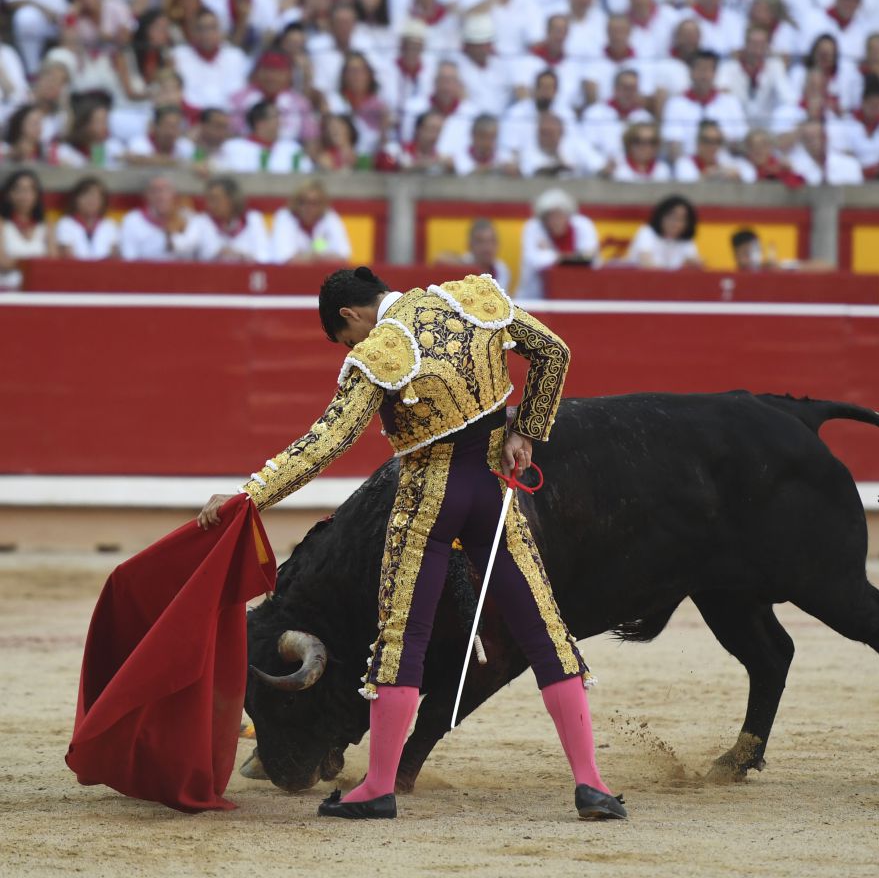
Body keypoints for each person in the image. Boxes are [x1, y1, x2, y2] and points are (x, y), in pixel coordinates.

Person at [197, 266, 625, 823]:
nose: (351, 346)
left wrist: (248, 495)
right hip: (494, 492)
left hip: (428, 500)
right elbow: (554, 353)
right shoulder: (470, 301)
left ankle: (378, 787)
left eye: (346, 337)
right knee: (546, 633)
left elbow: (325, 444)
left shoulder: (379, 352)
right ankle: (591, 784)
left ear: (351, 315)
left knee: (403, 642)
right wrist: (526, 431)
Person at [516, 188, 600, 300]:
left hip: (578, 295)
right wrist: (570, 258)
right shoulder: (533, 227)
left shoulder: (582, 225)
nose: (555, 221)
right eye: (550, 216)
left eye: (559, 215)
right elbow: (535, 261)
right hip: (535, 298)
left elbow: (591, 260)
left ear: (568, 215)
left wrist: (552, 253)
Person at [189, 175, 271, 263]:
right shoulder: (201, 221)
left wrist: (240, 257)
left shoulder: (253, 219)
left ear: (232, 199)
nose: (210, 205)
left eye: (215, 199)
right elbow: (188, 250)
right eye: (208, 199)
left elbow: (264, 257)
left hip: (247, 274)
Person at [270, 181, 351, 265]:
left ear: (322, 205)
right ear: (295, 203)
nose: (308, 208)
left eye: (314, 203)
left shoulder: (329, 217)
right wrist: (319, 257)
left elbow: (343, 256)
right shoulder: (285, 217)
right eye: (303, 202)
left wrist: (308, 257)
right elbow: (283, 259)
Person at [119, 176, 199, 261]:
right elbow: (129, 259)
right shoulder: (132, 220)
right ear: (146, 195)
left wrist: (172, 234)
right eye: (155, 191)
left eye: (166, 190)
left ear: (174, 193)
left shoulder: (189, 218)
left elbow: (191, 253)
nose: (161, 196)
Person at [0, 168, 54, 288]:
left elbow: (53, 262)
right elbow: (2, 263)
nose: (25, 195)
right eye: (19, 190)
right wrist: (35, 263)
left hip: (40, 288)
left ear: (36, 195)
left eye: (30, 190)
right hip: (7, 288)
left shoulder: (46, 225)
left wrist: (19, 263)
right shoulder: (2, 223)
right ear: (9, 194)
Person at [625, 194, 703, 271]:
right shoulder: (647, 232)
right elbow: (646, 263)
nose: (676, 223)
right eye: (672, 217)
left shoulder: (685, 240)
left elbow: (697, 263)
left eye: (681, 220)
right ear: (661, 216)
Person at [435, 217, 512, 291]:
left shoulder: (501, 269)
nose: (487, 247)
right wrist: (464, 267)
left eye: (491, 241)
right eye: (480, 241)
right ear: (470, 245)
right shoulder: (464, 263)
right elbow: (439, 258)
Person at [54, 175, 119, 259]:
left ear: (103, 202)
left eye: (97, 197)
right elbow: (68, 257)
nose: (91, 200)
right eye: (86, 196)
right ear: (76, 199)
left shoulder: (110, 225)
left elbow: (113, 257)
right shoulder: (65, 223)